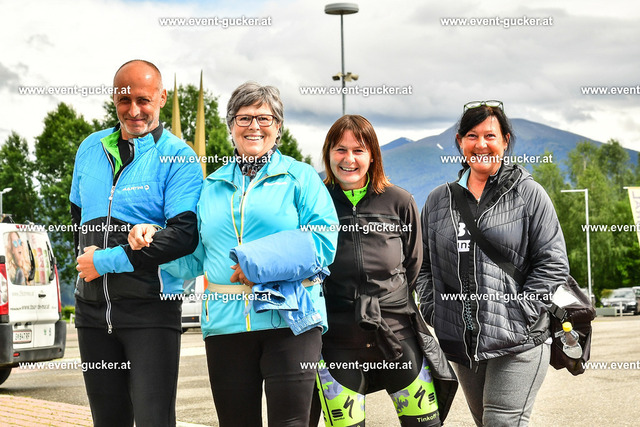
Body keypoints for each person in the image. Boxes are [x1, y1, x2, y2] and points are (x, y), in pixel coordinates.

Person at [128, 81, 339, 427]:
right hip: (226, 325)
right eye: (244, 118)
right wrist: (153, 244)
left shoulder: (300, 177)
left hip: (290, 322)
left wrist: (257, 264)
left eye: (264, 118)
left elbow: (323, 242)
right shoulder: (210, 186)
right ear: (231, 126)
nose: (254, 126)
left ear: (278, 127)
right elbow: (194, 258)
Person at [417, 100, 569, 426]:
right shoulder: (438, 200)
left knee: (502, 422)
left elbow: (553, 264)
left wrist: (521, 313)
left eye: (490, 136)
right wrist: (436, 313)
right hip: (465, 345)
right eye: (472, 136)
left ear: (505, 141)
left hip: (519, 341)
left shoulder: (528, 194)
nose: (481, 144)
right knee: (487, 422)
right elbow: (423, 266)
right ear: (460, 142)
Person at [70, 59, 203, 427]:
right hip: (91, 312)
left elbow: (184, 235)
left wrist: (106, 260)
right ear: (114, 99)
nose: (133, 111)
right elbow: (77, 219)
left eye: (143, 100)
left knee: (153, 420)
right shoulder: (90, 148)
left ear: (162, 97)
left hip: (151, 312)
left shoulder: (179, 157)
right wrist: (86, 266)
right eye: (124, 100)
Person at [311, 115, 457, 427]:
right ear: (328, 154)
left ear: (373, 155)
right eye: (340, 150)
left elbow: (413, 263)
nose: (349, 159)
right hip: (337, 339)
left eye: (358, 150)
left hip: (397, 334)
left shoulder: (399, 201)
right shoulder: (316, 202)